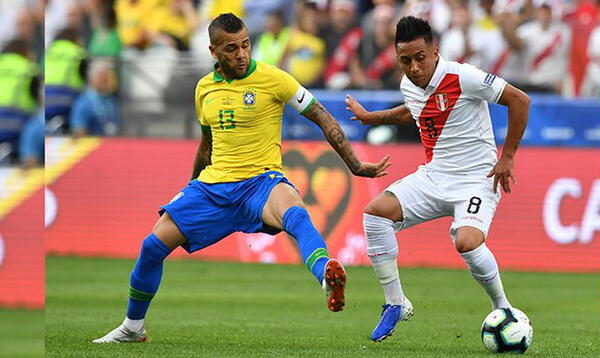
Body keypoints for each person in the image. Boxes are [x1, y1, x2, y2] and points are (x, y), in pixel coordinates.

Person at [93, 13, 391, 343]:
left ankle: (326, 277)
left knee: (295, 213)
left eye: (246, 45)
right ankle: (133, 327)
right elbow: (207, 146)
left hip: (261, 183)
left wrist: (355, 164)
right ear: (214, 51)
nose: (242, 54)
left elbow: (322, 116)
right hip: (212, 189)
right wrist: (190, 186)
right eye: (232, 48)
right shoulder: (204, 89)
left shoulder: (274, 79)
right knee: (151, 247)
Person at [345, 16, 530, 342]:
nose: (414, 67)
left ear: (435, 52)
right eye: (405, 60)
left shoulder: (464, 76)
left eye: (420, 58)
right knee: (374, 215)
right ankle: (395, 303)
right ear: (398, 58)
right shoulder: (407, 84)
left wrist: (508, 156)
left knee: (467, 242)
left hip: (476, 177)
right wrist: (371, 117)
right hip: (434, 175)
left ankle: (504, 307)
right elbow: (412, 110)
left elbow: (519, 100)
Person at [69, 61, 119, 137]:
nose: (105, 79)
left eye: (106, 76)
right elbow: (79, 131)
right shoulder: (84, 103)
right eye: (101, 76)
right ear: (91, 79)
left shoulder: (111, 100)